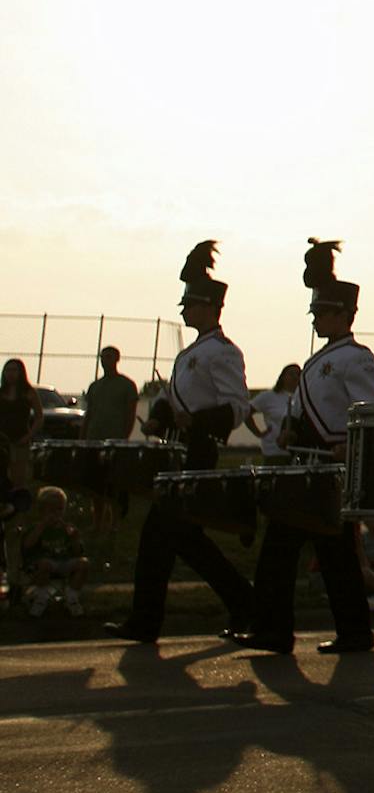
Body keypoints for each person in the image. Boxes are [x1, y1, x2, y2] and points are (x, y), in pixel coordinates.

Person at [228, 240, 374, 656]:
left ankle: (282, 631)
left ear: (343, 314)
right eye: (315, 313)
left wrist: (347, 449)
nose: (316, 320)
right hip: (307, 470)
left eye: (323, 313)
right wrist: (288, 432)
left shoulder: (356, 358)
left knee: (297, 552)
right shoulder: (319, 361)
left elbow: (370, 415)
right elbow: (305, 409)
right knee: (328, 556)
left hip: (329, 472)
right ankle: (346, 632)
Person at [105, 244, 256, 643]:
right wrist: (159, 415)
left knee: (158, 535)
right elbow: (175, 398)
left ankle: (145, 621)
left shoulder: (222, 352)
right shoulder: (190, 354)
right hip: (177, 451)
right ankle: (245, 602)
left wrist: (197, 421)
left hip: (198, 450)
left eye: (189, 304)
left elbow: (238, 407)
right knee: (185, 540)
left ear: (208, 307)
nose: (184, 311)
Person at [80, 346, 139, 537]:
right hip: (93, 440)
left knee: (114, 483)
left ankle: (114, 523)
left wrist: (124, 437)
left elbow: (130, 414)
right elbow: (89, 414)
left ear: (117, 359)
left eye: (109, 357)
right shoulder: (95, 386)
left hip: (115, 441)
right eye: (103, 357)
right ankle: (97, 522)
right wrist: (83, 437)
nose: (105, 360)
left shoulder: (127, 385)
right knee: (94, 484)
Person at [1, 358, 42, 601]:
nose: (11, 374)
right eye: (8, 370)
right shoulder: (1, 394)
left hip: (19, 444)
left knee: (18, 485)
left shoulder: (28, 393)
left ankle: (16, 511)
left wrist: (27, 436)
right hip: (2, 445)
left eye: (15, 370)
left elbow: (39, 417)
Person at [21, 486, 89, 617]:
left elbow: (78, 551)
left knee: (83, 563)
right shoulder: (37, 528)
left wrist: (75, 539)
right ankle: (41, 595)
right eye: (51, 510)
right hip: (45, 564)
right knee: (44, 564)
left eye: (60, 509)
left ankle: (72, 595)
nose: (56, 513)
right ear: (42, 511)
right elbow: (27, 545)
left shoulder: (66, 529)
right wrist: (42, 526)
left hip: (64, 561)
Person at [247, 364, 303, 464]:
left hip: (299, 452)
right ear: (282, 377)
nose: (295, 377)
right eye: (291, 374)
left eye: (298, 374)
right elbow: (246, 412)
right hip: (274, 452)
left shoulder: (302, 398)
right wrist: (257, 432)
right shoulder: (268, 396)